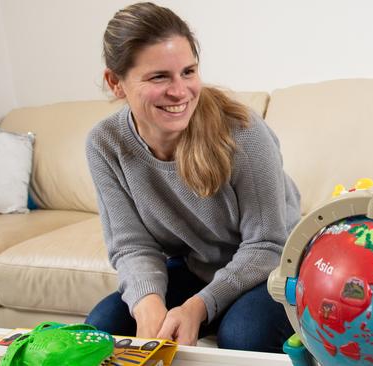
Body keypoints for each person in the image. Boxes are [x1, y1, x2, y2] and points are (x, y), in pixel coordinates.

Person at [84, 2, 300, 353]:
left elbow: (268, 245)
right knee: (102, 329)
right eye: (159, 77)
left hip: (276, 267)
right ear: (115, 82)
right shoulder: (105, 143)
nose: (180, 91)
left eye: (188, 72)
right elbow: (131, 245)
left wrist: (198, 306)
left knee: (243, 335)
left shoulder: (243, 132)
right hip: (199, 268)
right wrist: (148, 305)